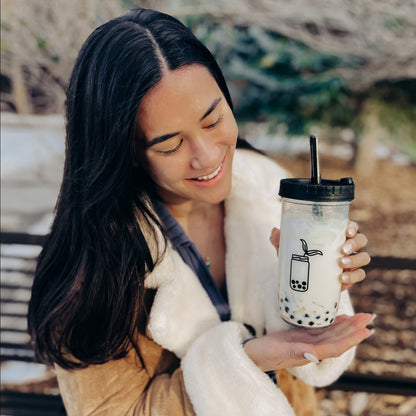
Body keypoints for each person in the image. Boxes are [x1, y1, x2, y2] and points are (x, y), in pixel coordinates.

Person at [28, 8, 373, 416]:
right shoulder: (97, 262)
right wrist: (246, 362)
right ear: (128, 154)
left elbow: (311, 368)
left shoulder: (267, 195)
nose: (207, 157)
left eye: (213, 120)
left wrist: (317, 300)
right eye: (170, 145)